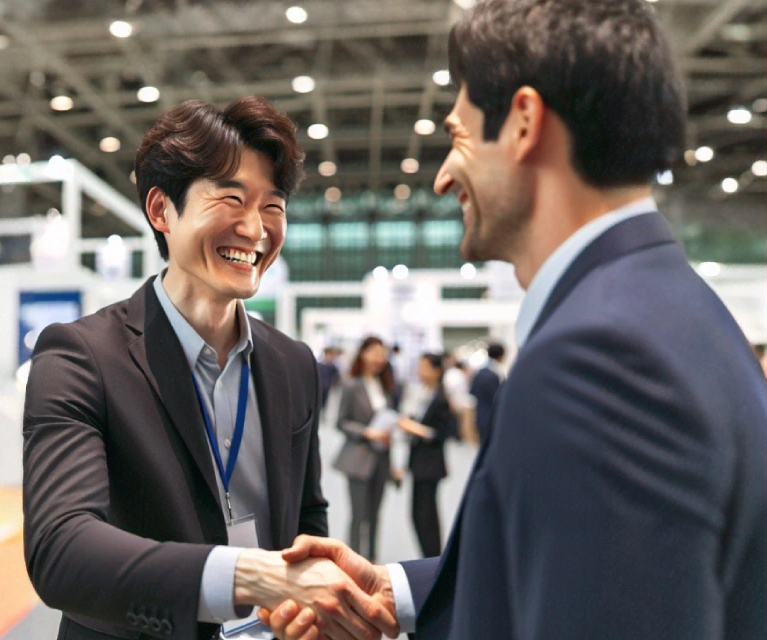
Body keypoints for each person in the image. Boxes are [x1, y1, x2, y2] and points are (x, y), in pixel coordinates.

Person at [261, 1, 766, 638]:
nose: (444, 176)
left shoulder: (598, 358)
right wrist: (401, 591)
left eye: (458, 135)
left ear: (524, 122)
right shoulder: (672, 306)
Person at [23, 97, 396, 640]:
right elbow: (62, 548)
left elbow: (306, 518)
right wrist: (250, 576)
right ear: (161, 211)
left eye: (274, 205)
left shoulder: (292, 363)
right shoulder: (82, 357)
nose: (255, 228)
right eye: (231, 198)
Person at [331, 336, 394, 562]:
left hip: (382, 458)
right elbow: (341, 421)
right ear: (362, 354)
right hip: (358, 458)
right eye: (374, 352)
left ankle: (372, 563)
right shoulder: (351, 384)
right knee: (359, 516)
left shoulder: (385, 386)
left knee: (376, 516)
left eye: (382, 353)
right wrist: (367, 432)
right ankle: (354, 563)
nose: (379, 358)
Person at [397, 353, 458, 558]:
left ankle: (433, 558)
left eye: (425, 367)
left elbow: (441, 433)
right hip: (420, 462)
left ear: (436, 371)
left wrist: (413, 427)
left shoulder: (441, 397)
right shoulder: (424, 393)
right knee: (419, 514)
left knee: (426, 515)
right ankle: (430, 557)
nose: (420, 372)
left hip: (430, 464)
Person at [468, 341, 505, 444]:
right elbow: (497, 398)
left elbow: (472, 393)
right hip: (491, 417)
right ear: (501, 355)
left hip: (480, 414)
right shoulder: (495, 374)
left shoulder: (479, 372)